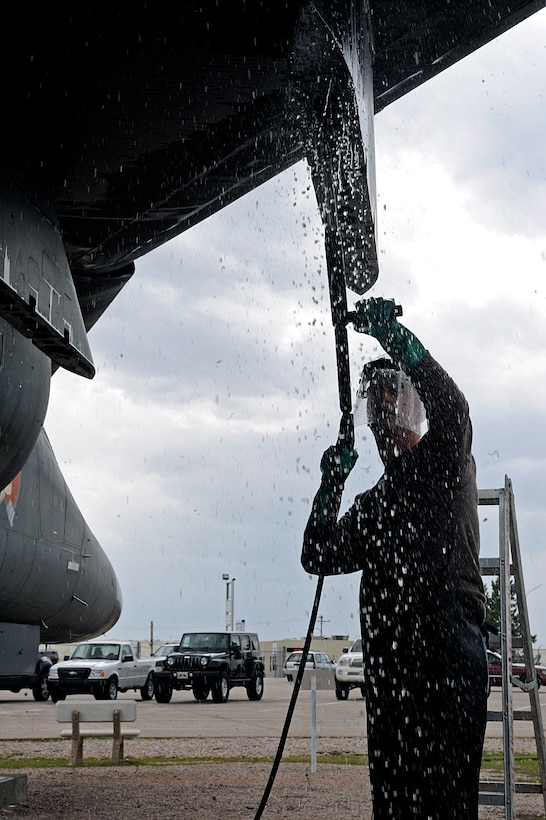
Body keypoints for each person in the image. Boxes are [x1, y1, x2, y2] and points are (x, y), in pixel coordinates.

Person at [302, 297, 488, 819]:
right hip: (391, 668)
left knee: (446, 805)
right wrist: (331, 483)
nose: (380, 409)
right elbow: (317, 553)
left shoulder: (443, 457)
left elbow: (456, 409)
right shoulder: (375, 504)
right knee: (394, 803)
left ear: (413, 406)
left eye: (390, 396)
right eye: (372, 401)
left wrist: (399, 342)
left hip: (446, 654)